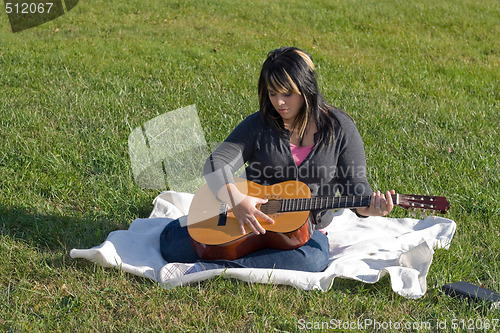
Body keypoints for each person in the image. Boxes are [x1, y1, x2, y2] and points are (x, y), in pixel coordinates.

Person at [159, 46, 395, 277]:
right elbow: (215, 163)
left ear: (306, 89)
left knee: (312, 260)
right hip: (247, 218)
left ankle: (212, 268)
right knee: (171, 241)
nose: (279, 103)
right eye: (273, 93)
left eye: (287, 93)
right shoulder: (259, 125)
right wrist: (237, 199)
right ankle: (247, 254)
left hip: (303, 231)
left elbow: (357, 188)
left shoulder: (340, 128)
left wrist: (370, 208)